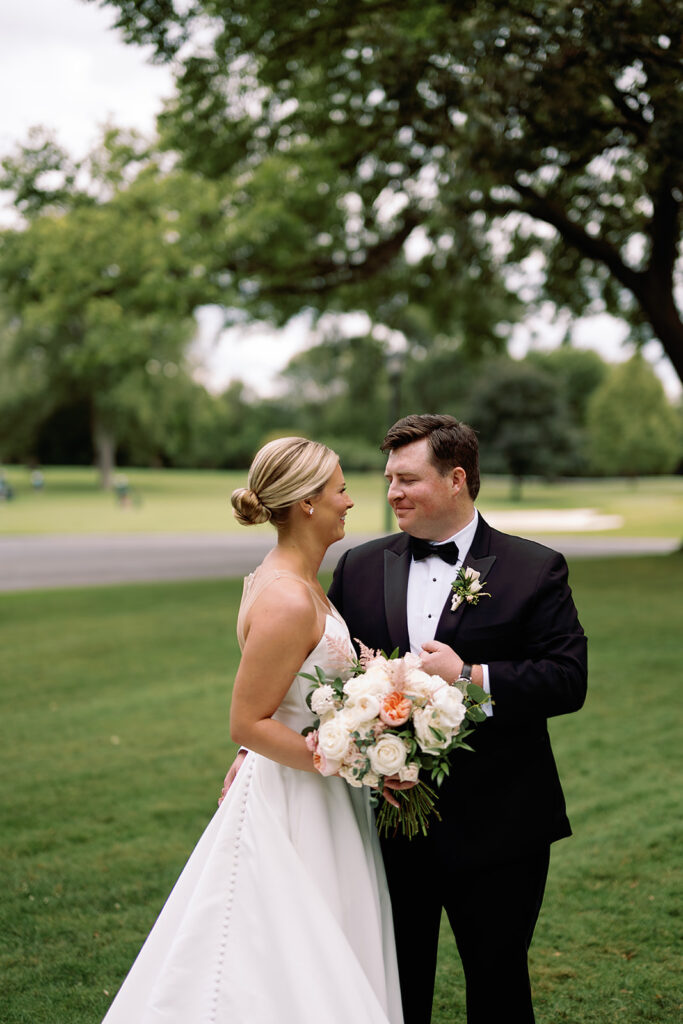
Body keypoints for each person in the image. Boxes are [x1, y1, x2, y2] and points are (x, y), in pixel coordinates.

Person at [102, 437, 403, 1024]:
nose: (349, 501)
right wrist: (344, 758)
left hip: (318, 786)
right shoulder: (289, 597)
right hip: (298, 799)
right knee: (290, 952)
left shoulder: (297, 580)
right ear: (309, 503)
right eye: (340, 488)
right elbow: (246, 720)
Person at [327, 414, 588, 1024]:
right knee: (393, 990)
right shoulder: (359, 568)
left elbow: (568, 679)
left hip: (502, 827)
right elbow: (327, 676)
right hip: (388, 824)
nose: (391, 491)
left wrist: (469, 677)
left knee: (498, 990)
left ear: (456, 479)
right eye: (388, 477)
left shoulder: (534, 568)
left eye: (408, 479)